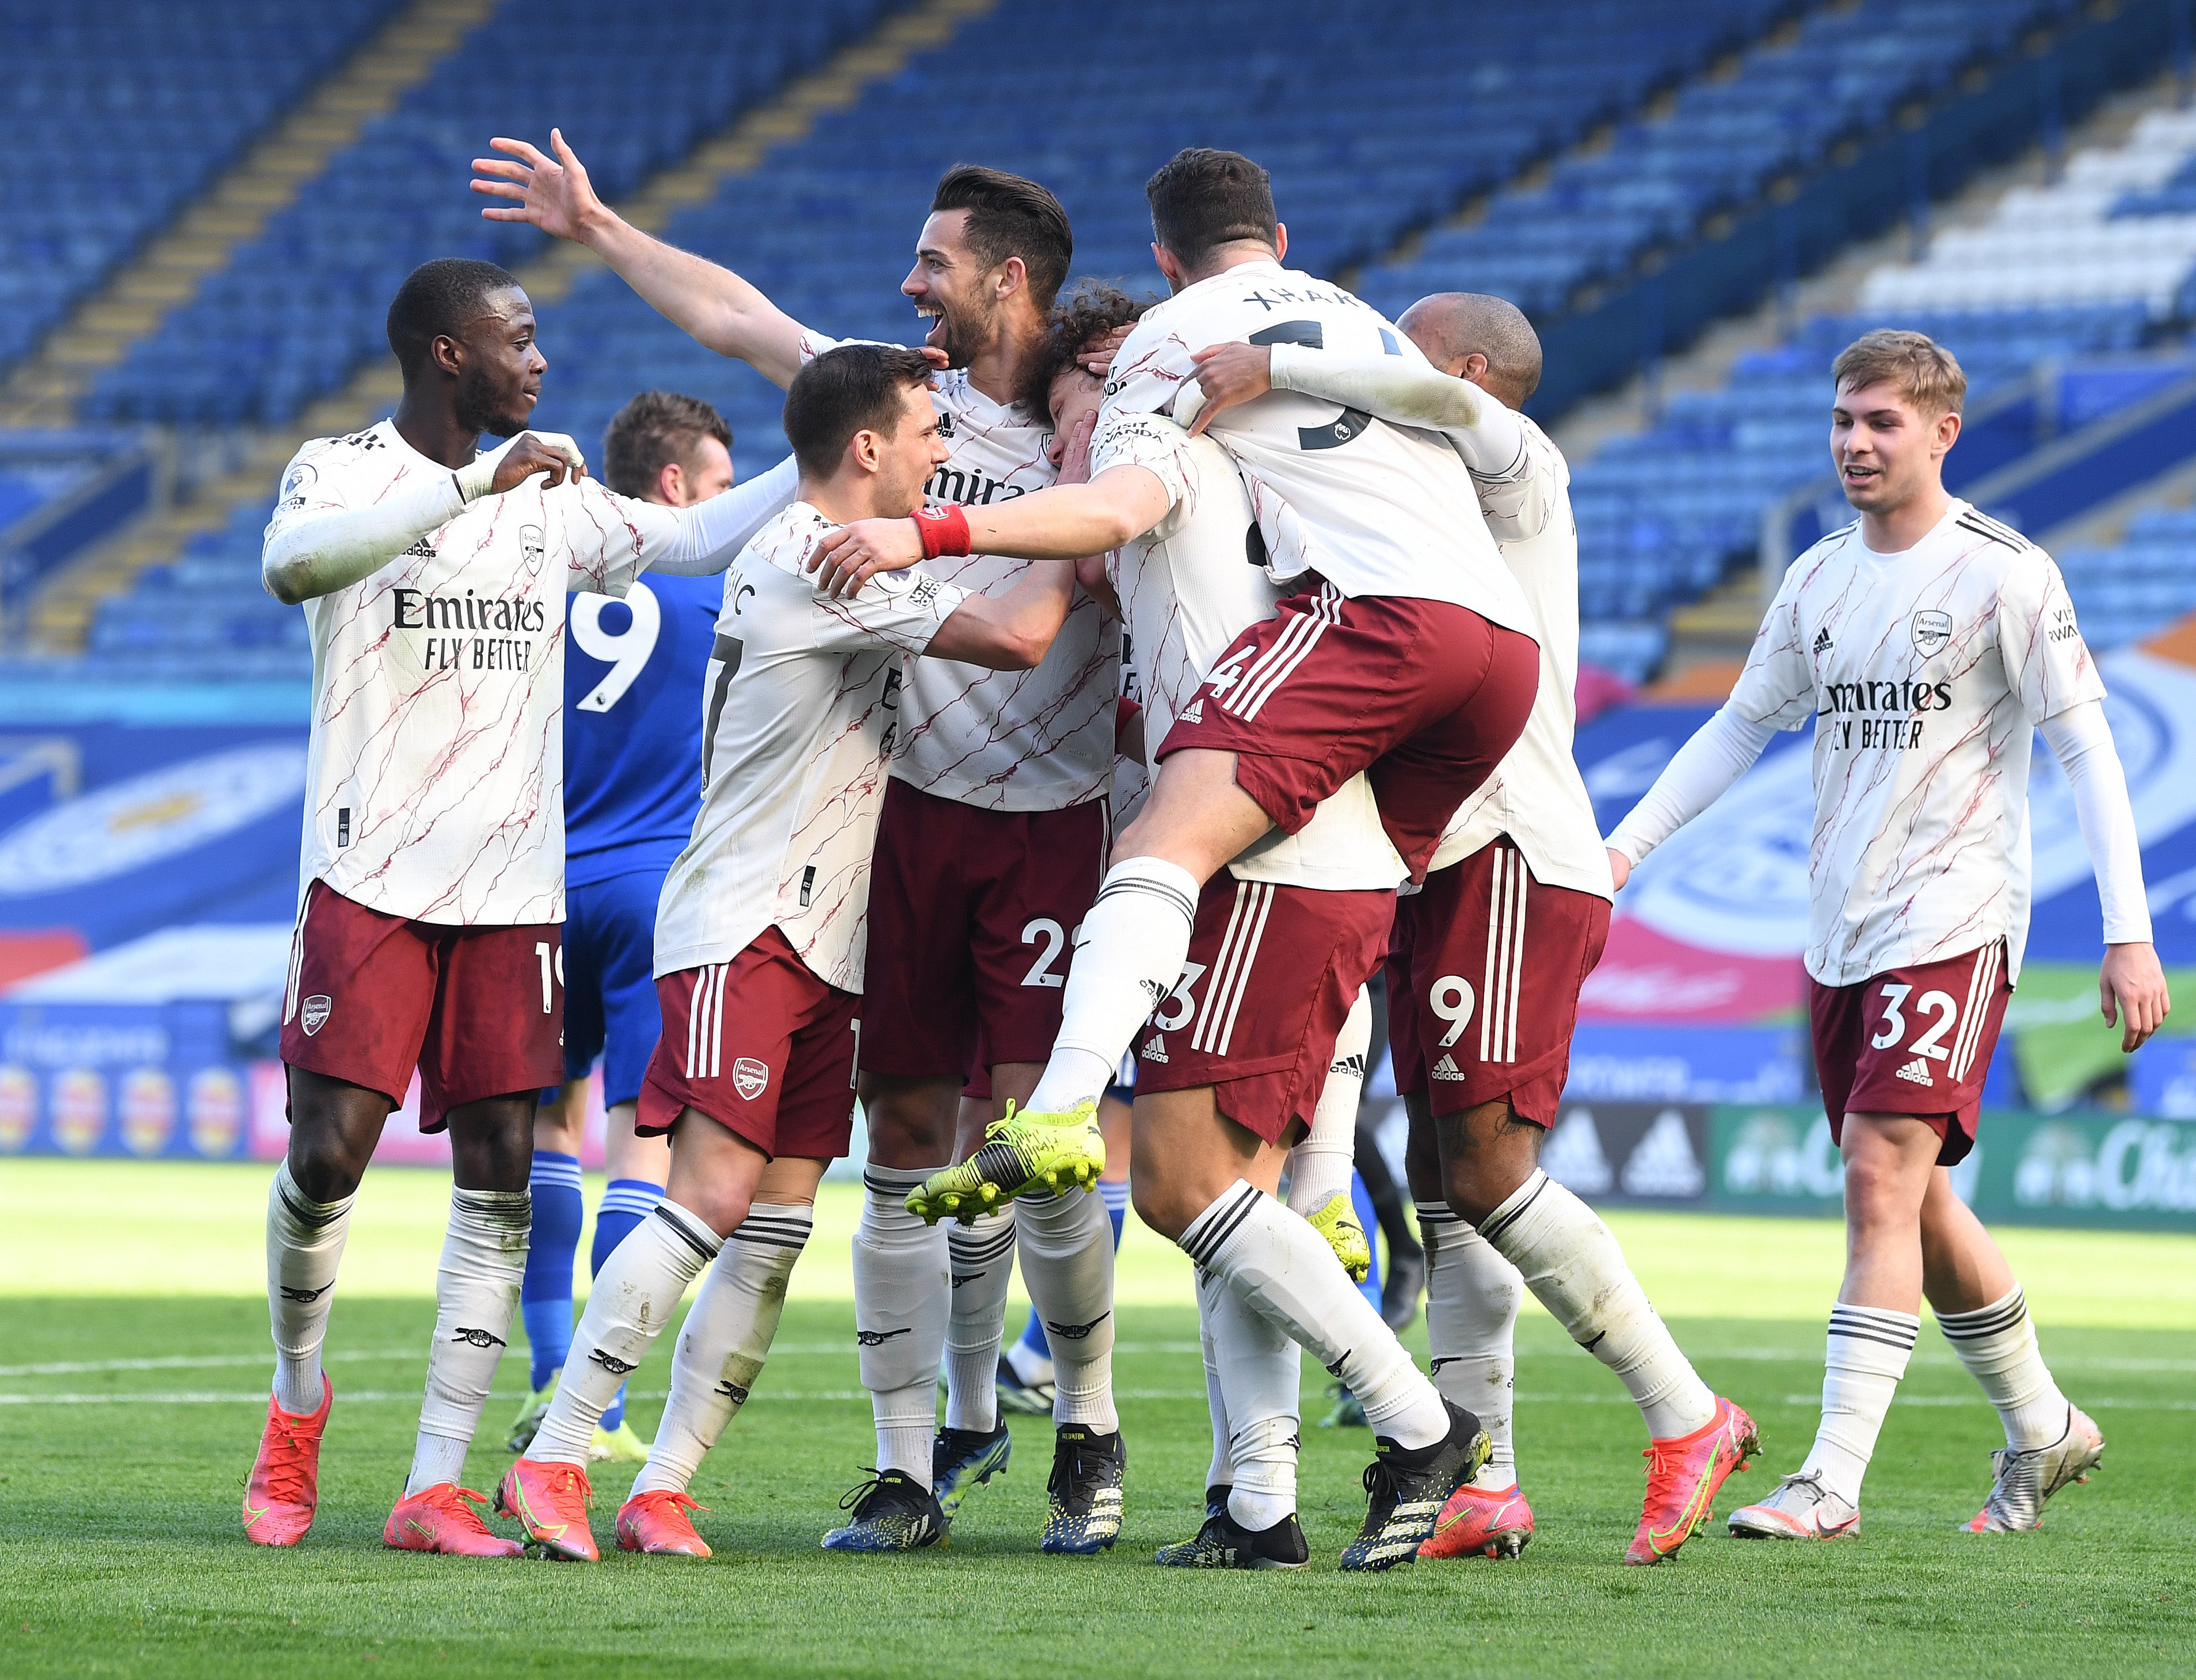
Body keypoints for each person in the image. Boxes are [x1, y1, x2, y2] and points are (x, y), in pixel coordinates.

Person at [474, 136, 1127, 1552]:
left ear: (1008, 281)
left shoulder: (1091, 405)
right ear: (878, 448)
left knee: (877, 1187)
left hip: (1013, 833)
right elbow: (735, 314)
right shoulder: (857, 489)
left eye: (934, 266)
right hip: (839, 867)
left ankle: (1075, 1423)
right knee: (808, 1173)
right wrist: (601, 229)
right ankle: (670, 1450)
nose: (909, 289)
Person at [806, 149, 1539, 1247]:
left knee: (1161, 856)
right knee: (1331, 932)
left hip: (1363, 640)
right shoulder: (1367, 328)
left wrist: (927, 530)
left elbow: (1109, 516)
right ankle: (1335, 1205)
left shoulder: (1171, 371)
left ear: (1165, 262)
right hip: (1488, 664)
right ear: (1280, 241)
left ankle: (1063, 1116)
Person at [1187, 292, 1759, 1565]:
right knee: (1450, 1183)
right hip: (1426, 847)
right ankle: (1486, 1478)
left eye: (1402, 347)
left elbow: (1432, 403)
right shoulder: (1402, 499)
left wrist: (1273, 361)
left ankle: (1686, 1410)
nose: (1377, 365)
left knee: (1490, 1170)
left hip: (1504, 842)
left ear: (1470, 370)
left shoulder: (1512, 456)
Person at [245, 258, 795, 1556]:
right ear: (449, 353)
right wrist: (468, 486)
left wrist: (824, 458)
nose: (541, 362)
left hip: (513, 887)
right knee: (328, 1156)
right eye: (521, 338)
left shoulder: (552, 504)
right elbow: (291, 566)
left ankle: (432, 1486)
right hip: (369, 867)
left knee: (498, 1177)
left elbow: (699, 535)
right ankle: (295, 1398)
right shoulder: (345, 468)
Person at [1606, 329, 2169, 1540]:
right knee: (1911, 1197)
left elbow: (2088, 751)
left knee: (1877, 1172)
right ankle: (2045, 1424)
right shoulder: (1814, 580)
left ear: (1942, 432)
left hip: (1955, 914)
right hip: (1839, 928)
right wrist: (1623, 849)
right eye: (1844, 421)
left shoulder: (2005, 575)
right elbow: (1736, 725)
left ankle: (1830, 1481)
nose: (1856, 444)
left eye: (1881, 424)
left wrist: (2130, 933)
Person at [509, 391, 747, 1465]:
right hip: (657, 891)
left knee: (545, 1129)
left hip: (540, 889)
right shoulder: (715, 605)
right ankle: (598, 1411)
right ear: (672, 490)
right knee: (639, 1146)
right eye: (721, 486)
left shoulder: (539, 591)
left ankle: (549, 1365)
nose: (731, 505)